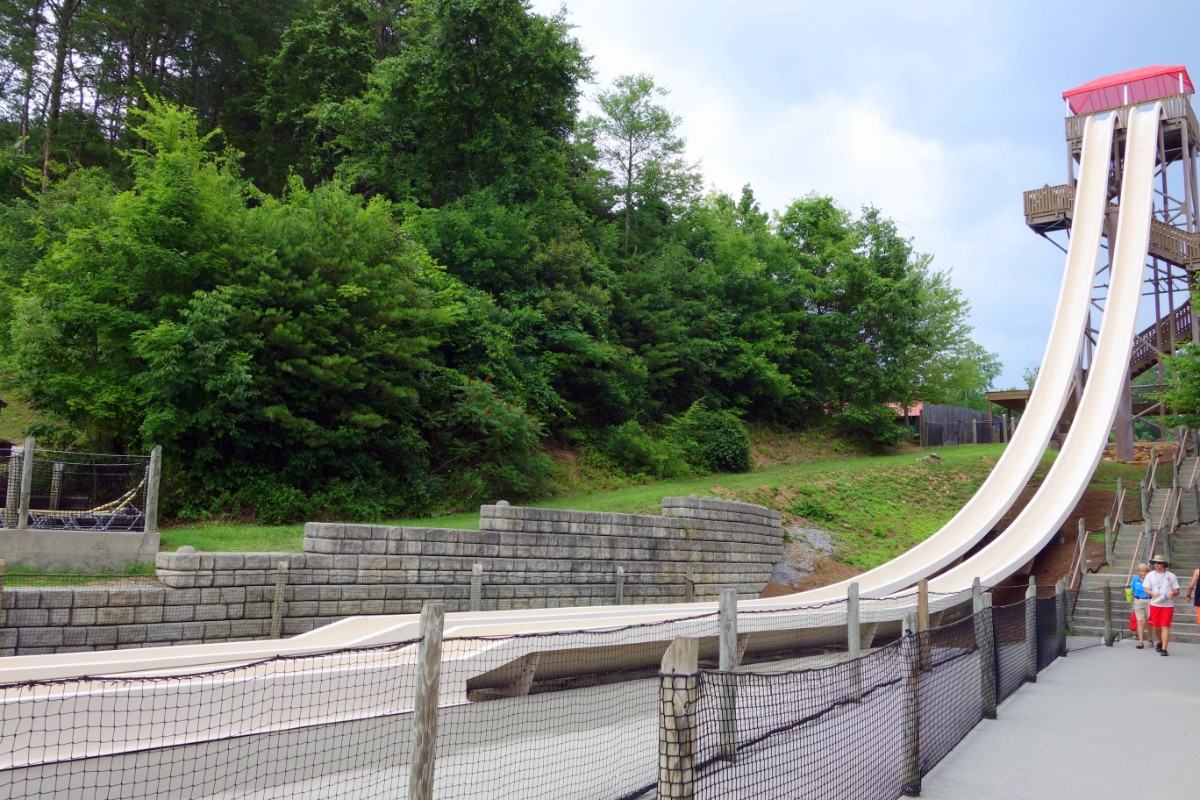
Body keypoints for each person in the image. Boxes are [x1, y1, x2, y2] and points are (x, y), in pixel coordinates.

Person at [1142, 554, 1180, 656]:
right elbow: (1145, 589)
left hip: (1167, 605)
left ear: (1163, 564)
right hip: (1155, 604)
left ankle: (1164, 649)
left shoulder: (1171, 576)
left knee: (1165, 626)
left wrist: (1172, 593)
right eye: (1154, 562)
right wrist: (1153, 593)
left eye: (1158, 563)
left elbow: (1177, 591)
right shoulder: (1150, 575)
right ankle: (1160, 641)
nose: (1156, 564)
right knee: (1155, 627)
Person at [1129, 563, 1152, 648]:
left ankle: (1150, 640)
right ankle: (1141, 642)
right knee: (1140, 621)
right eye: (1141, 571)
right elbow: (1132, 590)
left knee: (1150, 622)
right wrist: (1129, 592)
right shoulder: (1135, 580)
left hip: (1149, 600)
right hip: (1138, 601)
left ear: (1147, 572)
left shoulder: (1150, 579)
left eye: (1145, 571)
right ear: (1139, 572)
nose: (1143, 573)